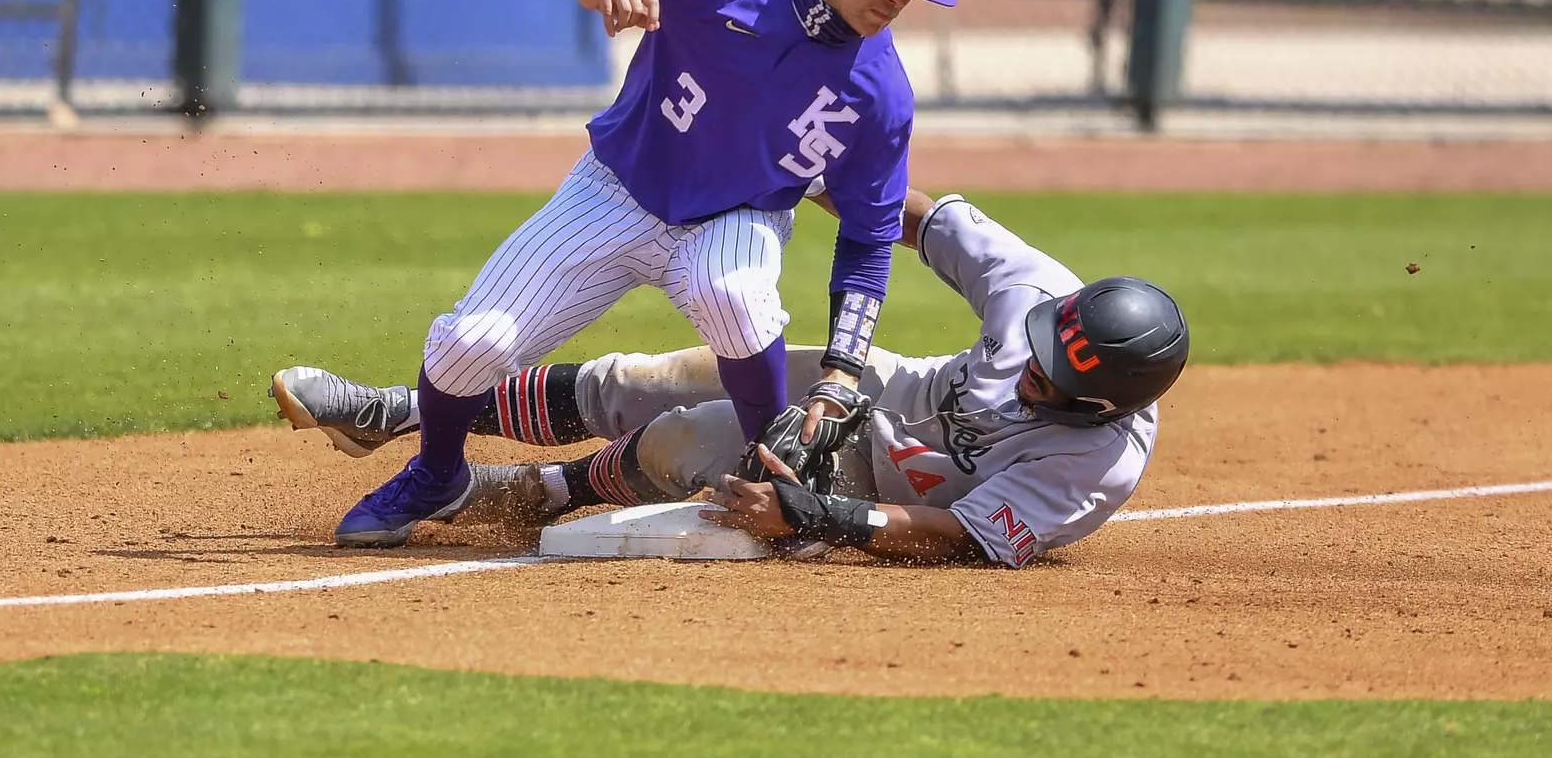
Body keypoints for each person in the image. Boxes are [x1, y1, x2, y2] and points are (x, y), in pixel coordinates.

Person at [277, 0, 959, 547]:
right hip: (616, 189)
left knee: (734, 294)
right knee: (468, 345)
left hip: (737, 217)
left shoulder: (881, 93)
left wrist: (841, 370)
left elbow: (869, 236)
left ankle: (771, 474)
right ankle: (436, 474)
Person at [272, 187, 1189, 566]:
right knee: (666, 374)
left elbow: (961, 533)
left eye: (1048, 381)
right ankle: (402, 413)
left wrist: (815, 514)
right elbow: (914, 215)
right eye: (1035, 345)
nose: (1027, 366)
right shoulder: (1042, 296)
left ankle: (517, 492)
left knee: (690, 440)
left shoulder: (1098, 466)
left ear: (1099, 405)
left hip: (885, 483)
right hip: (881, 391)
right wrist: (811, 170)